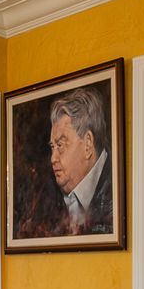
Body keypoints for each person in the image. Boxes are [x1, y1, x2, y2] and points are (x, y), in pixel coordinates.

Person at [46, 86, 113, 234]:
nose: (53, 158)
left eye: (60, 145)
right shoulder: (46, 198)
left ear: (88, 144)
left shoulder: (117, 191)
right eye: (52, 147)